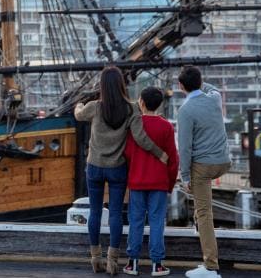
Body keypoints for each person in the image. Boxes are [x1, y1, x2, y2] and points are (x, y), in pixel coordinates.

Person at [75, 66, 169, 275]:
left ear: (102, 86)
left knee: (95, 212)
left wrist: (78, 105)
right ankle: (112, 261)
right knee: (116, 214)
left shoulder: (95, 107)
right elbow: (140, 138)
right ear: (121, 85)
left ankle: (95, 258)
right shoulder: (131, 109)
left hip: (95, 167)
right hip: (117, 169)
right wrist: (160, 153)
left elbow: (79, 115)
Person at [176, 66, 231, 278]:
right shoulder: (215, 98)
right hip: (223, 162)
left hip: (203, 166)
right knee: (203, 208)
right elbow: (212, 88)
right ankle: (199, 228)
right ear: (201, 82)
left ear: (181, 87)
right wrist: (199, 81)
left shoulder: (185, 110)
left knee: (205, 213)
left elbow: (185, 147)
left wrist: (185, 177)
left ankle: (210, 266)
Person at [122, 86, 178, 277]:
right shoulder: (166, 127)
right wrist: (169, 184)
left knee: (135, 221)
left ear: (141, 103)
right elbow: (173, 159)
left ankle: (132, 263)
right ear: (160, 104)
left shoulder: (134, 125)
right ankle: (157, 265)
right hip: (159, 183)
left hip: (137, 181)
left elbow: (127, 153)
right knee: (157, 222)